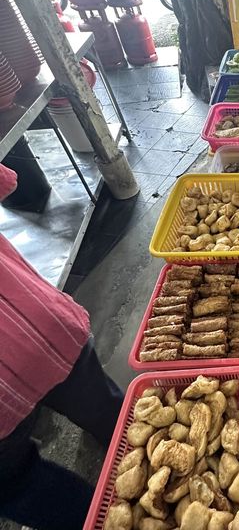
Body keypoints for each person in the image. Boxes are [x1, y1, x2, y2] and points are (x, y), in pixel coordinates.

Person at [0, 163, 123, 530]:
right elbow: (8, 180)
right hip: (39, 324)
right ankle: (132, 452)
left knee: (16, 484)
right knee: (106, 409)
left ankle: (103, 521)